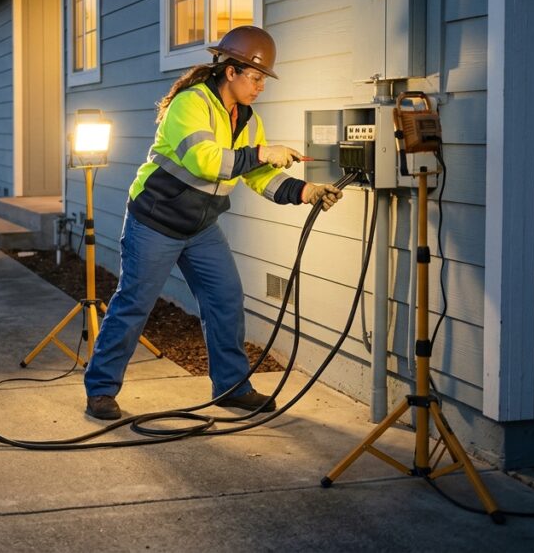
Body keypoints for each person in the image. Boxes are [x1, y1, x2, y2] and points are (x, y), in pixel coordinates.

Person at [83, 25, 343, 420]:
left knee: (225, 300)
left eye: (263, 80)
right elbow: (205, 160)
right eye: (255, 78)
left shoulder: (249, 121)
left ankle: (231, 388)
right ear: (231, 71)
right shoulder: (190, 104)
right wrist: (260, 153)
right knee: (134, 304)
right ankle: (101, 390)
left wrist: (306, 191)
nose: (260, 87)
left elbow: (258, 176)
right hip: (155, 221)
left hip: (201, 227)